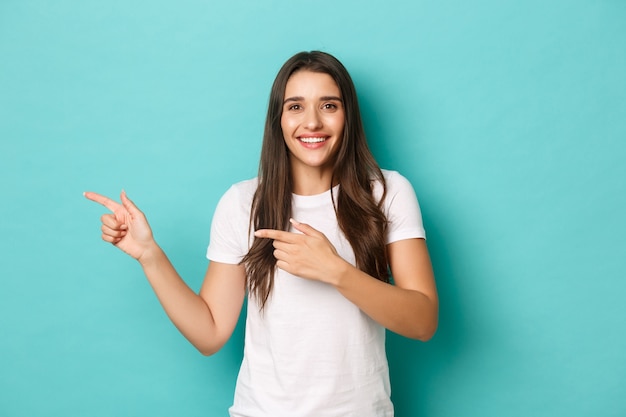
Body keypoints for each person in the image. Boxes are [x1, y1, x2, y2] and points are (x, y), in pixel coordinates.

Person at [84, 51, 438, 417]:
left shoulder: (387, 193)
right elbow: (210, 333)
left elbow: (423, 321)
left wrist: (336, 271)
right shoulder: (242, 203)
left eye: (329, 105)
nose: (312, 122)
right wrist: (149, 255)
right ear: (278, 120)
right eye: (296, 107)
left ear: (348, 116)